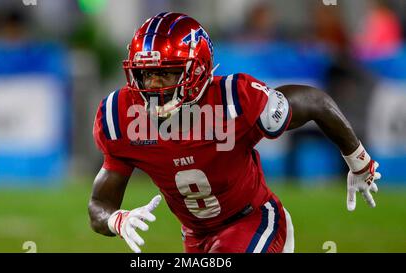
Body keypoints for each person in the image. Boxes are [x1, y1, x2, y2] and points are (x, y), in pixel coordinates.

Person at [88, 12, 381, 253]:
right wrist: (116, 220)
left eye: (166, 73)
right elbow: (99, 206)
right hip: (195, 238)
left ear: (197, 70)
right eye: (146, 74)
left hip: (253, 221)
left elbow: (315, 102)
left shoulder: (234, 99)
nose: (153, 86)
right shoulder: (121, 115)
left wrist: (358, 160)